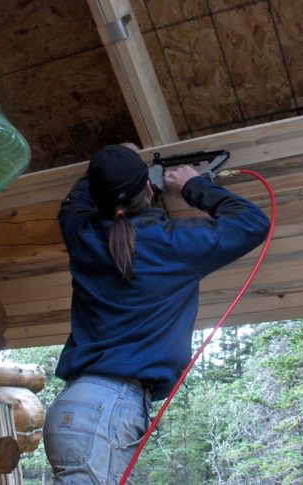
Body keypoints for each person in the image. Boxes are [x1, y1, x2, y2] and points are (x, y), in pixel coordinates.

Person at [43, 143, 270, 484]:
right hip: (106, 410)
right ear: (148, 189)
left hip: (78, 411)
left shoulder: (81, 234)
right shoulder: (169, 245)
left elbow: (75, 202)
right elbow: (252, 223)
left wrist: (115, 158)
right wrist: (193, 184)